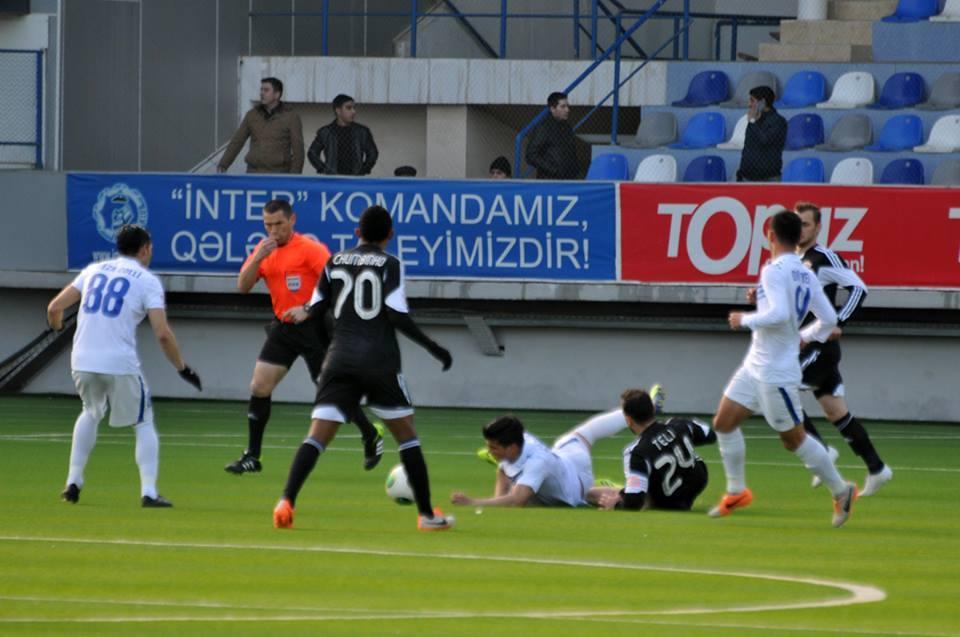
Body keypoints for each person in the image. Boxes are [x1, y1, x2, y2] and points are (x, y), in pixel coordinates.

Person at [273, 205, 454, 531]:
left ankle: (286, 501)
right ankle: (427, 515)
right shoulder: (391, 264)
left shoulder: (334, 261)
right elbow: (396, 315)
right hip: (380, 361)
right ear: (390, 235)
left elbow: (315, 310)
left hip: (339, 360)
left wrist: (321, 340)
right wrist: (433, 347)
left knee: (317, 436)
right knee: (407, 436)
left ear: (357, 233)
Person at [710, 209, 858, 528]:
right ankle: (737, 491)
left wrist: (744, 319)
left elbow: (779, 314)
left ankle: (841, 489)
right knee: (723, 423)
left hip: (776, 372)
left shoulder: (773, 269)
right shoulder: (805, 272)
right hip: (755, 365)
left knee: (794, 440)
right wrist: (805, 336)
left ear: (771, 236)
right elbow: (829, 319)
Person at [46, 224, 202, 507]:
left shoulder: (93, 271)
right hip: (119, 362)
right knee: (143, 421)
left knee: (90, 412)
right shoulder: (147, 280)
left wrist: (56, 329)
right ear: (145, 249)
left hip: (82, 359)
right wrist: (182, 367)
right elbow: (163, 334)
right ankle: (149, 492)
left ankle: (73, 482)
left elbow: (54, 308)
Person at [225, 199, 382, 475]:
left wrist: (308, 308)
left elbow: (339, 284)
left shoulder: (310, 249)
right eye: (268, 225)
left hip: (315, 327)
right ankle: (252, 456)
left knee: (332, 393)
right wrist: (258, 257)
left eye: (279, 224)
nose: (273, 230)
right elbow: (243, 286)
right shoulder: (264, 250)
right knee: (259, 386)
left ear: (292, 220)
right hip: (283, 327)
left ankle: (370, 434)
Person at [794, 202, 892, 496]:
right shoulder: (794, 260)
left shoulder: (824, 258)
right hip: (803, 345)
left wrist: (839, 322)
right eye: (797, 223)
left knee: (778, 388)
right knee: (836, 412)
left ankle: (821, 451)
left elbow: (859, 288)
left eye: (806, 224)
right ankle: (877, 468)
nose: (801, 229)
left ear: (818, 228)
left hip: (820, 346)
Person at [450, 386, 669, 509]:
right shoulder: (517, 439)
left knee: (587, 494)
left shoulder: (536, 463)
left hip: (578, 480)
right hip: (565, 454)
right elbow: (502, 471)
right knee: (585, 432)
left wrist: (474, 502)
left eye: (494, 447)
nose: (489, 450)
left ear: (512, 448)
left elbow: (517, 500)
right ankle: (646, 408)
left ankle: (618, 489)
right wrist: (497, 497)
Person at [588, 388, 716, 512]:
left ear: (629, 420)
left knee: (593, 494)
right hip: (696, 482)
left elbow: (633, 502)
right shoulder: (679, 424)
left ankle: (589, 491)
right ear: (652, 410)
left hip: (668, 502)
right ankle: (627, 487)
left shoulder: (637, 452)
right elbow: (711, 435)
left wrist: (615, 505)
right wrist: (674, 440)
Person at [218, 77, 304, 174]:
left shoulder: (291, 117)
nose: (262, 93)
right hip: (253, 173)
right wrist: (223, 164)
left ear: (277, 94)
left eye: (266, 90)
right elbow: (237, 141)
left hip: (279, 175)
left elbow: (298, 151)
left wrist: (294, 178)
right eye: (261, 90)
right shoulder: (252, 115)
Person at [307, 94, 379, 175]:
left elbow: (372, 153)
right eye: (348, 108)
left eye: (353, 108)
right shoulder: (326, 132)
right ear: (338, 111)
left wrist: (363, 170)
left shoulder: (362, 131)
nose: (353, 111)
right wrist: (323, 169)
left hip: (355, 178)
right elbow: (312, 153)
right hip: (333, 179)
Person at [736, 86, 787, 182]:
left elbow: (765, 140)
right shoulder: (754, 119)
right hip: (746, 177)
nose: (749, 104)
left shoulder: (779, 121)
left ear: (762, 102)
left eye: (752, 101)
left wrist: (753, 121)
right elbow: (748, 147)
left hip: (768, 180)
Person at [525, 92, 580, 180]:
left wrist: (575, 171)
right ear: (552, 109)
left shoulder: (567, 128)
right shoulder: (544, 127)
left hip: (568, 180)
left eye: (567, 106)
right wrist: (553, 170)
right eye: (563, 106)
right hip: (549, 181)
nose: (567, 110)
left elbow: (572, 153)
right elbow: (531, 155)